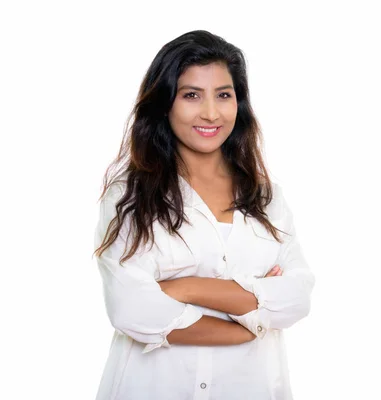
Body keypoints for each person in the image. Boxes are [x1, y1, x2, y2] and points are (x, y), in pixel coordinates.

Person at [92, 30, 316, 400]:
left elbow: (296, 297)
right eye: (191, 95)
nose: (211, 112)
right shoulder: (128, 195)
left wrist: (185, 288)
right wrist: (248, 324)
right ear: (165, 103)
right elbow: (132, 308)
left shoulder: (266, 196)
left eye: (224, 95)